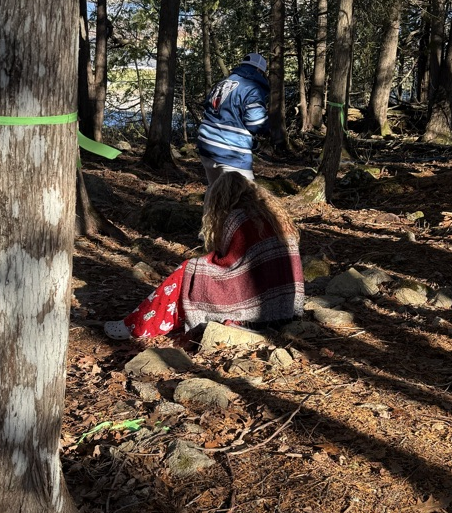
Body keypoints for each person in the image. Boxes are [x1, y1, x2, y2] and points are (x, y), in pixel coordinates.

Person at [104, 172, 304, 340]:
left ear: (222, 197)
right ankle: (145, 322)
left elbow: (228, 262)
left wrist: (198, 264)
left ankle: (137, 326)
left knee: (188, 272)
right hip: (285, 306)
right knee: (194, 272)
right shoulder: (274, 216)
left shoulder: (237, 217)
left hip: (255, 307)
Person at [197, 53, 270, 184]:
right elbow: (256, 123)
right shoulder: (252, 88)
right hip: (231, 151)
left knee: (215, 189)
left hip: (206, 144)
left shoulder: (223, 83)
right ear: (260, 71)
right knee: (244, 192)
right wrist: (267, 129)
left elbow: (210, 109)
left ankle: (212, 199)